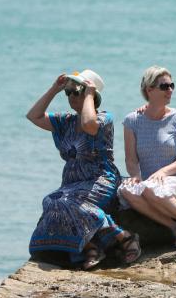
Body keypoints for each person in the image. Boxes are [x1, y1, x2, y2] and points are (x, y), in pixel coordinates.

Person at [26, 70, 140, 270]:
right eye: (68, 93)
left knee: (63, 201)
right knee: (51, 200)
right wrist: (54, 89)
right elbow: (33, 116)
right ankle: (104, 240)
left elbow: (89, 125)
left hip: (100, 180)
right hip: (72, 184)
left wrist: (88, 93)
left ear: (91, 95)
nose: (71, 97)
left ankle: (110, 241)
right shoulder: (65, 121)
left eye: (75, 92)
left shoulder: (104, 118)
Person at [118, 66, 176, 249]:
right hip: (150, 181)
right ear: (149, 90)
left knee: (151, 187)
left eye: (171, 85)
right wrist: (135, 176)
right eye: (164, 86)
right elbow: (131, 159)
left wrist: (162, 172)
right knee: (126, 190)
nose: (170, 90)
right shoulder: (132, 121)